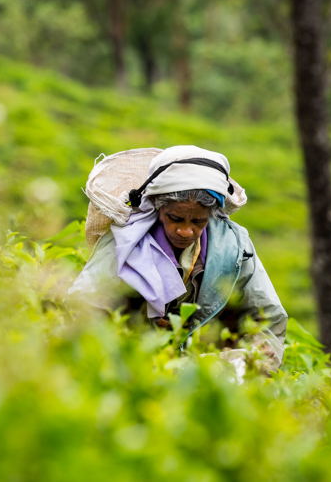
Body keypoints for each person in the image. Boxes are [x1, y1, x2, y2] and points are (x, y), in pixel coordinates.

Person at [69, 145, 288, 368]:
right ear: (158, 208)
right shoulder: (125, 242)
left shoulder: (234, 247)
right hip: (134, 363)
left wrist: (262, 348)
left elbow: (266, 314)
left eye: (198, 221)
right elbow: (84, 305)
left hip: (209, 365)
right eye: (175, 218)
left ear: (211, 216)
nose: (186, 231)